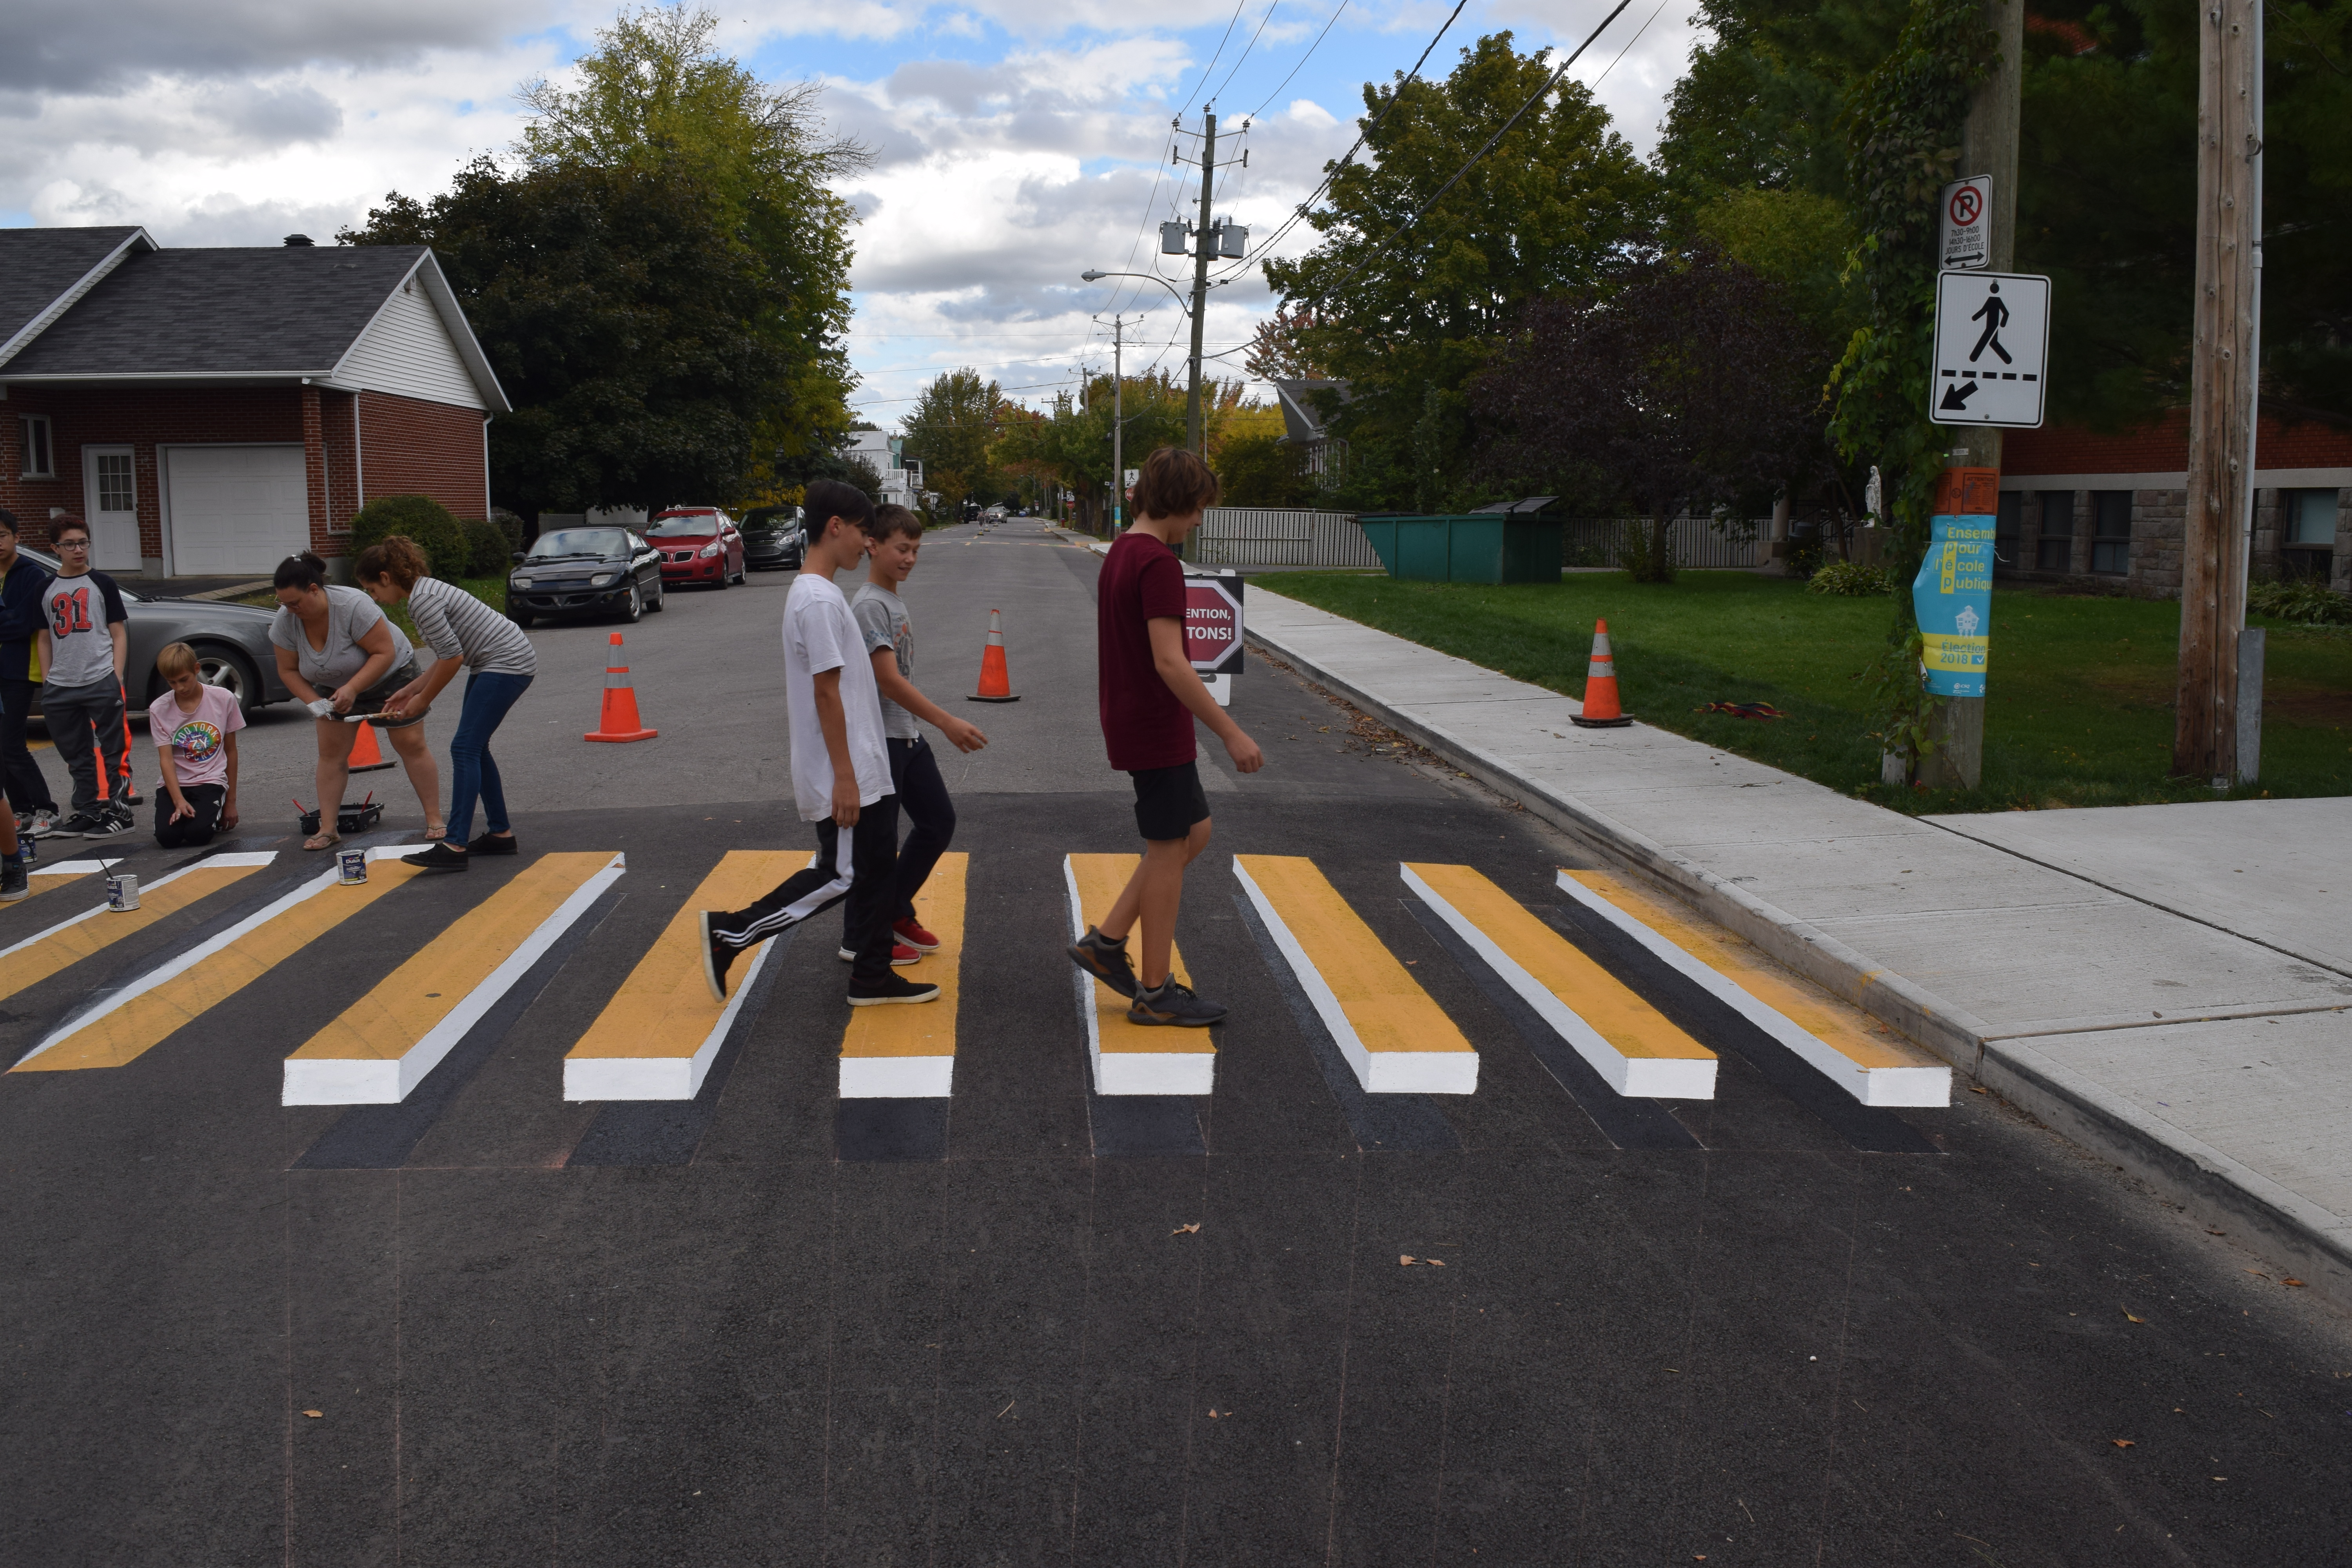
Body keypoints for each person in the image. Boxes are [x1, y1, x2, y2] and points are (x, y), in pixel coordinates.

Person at [698, 480, 937, 1009]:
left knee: (877, 870)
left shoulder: (823, 594)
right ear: (835, 527)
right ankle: (730, 933)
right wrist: (845, 778)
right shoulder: (817, 601)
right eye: (864, 533)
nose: (867, 544)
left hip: (867, 764)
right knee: (842, 873)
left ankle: (872, 976)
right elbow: (826, 692)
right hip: (845, 772)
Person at [1065, 447, 1262, 1026]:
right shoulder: (1158, 564)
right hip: (1154, 724)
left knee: (1192, 833)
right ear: (1177, 501)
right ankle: (1155, 992)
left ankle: (1105, 943)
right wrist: (1230, 733)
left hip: (1136, 718)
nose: (1199, 520)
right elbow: (1171, 662)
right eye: (1198, 508)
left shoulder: (1122, 552)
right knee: (1168, 849)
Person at [845, 503, 988, 965]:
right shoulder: (869, 605)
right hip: (882, 739)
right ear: (873, 545)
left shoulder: (891, 599)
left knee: (937, 822)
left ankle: (891, 911)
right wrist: (946, 721)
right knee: (879, 846)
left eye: (916, 550)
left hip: (904, 735)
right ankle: (862, 936)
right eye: (902, 549)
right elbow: (888, 680)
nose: (910, 558)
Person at [356, 535, 536, 873]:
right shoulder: (426, 591)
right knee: (475, 747)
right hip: (497, 661)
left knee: (464, 748)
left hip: (506, 662)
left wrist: (422, 701)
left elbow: (453, 659)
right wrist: (411, 690)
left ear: (386, 577)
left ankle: (454, 846)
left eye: (372, 589)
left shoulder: (422, 602)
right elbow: (448, 655)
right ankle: (500, 835)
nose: (374, 598)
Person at [270, 552, 441, 850]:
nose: (290, 610)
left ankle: (435, 820)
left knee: (411, 745)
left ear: (314, 589)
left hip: (391, 676)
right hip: (333, 686)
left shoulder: (352, 606)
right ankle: (328, 829)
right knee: (331, 754)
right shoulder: (286, 621)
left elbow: (384, 652)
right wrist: (315, 702)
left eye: (295, 603)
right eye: (283, 604)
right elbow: (287, 670)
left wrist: (352, 688)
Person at [35, 516, 133, 839]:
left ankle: (120, 813)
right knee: (76, 755)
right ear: (55, 548)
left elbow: (118, 633)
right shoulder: (46, 587)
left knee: (114, 751)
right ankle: (87, 811)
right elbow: (44, 638)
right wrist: (48, 680)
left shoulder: (102, 583)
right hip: (61, 684)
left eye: (83, 543)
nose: (78, 550)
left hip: (100, 678)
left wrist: (116, 676)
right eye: (70, 544)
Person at [0, 508, 60, 837]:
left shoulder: (31, 575)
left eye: (2, 535)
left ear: (16, 537)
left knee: (12, 744)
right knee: (2, 747)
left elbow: (24, 624)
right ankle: (21, 809)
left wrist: (9, 620)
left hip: (20, 671)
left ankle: (47, 810)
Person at [147, 642, 241, 849]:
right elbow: (166, 759)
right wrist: (178, 801)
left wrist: (231, 802)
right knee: (167, 838)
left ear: (197, 669)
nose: (180, 688)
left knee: (198, 835)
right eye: (172, 683)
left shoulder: (223, 699)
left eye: (184, 680)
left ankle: (211, 813)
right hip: (176, 783)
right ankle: (191, 813)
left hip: (210, 780)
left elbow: (231, 751)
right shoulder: (159, 709)